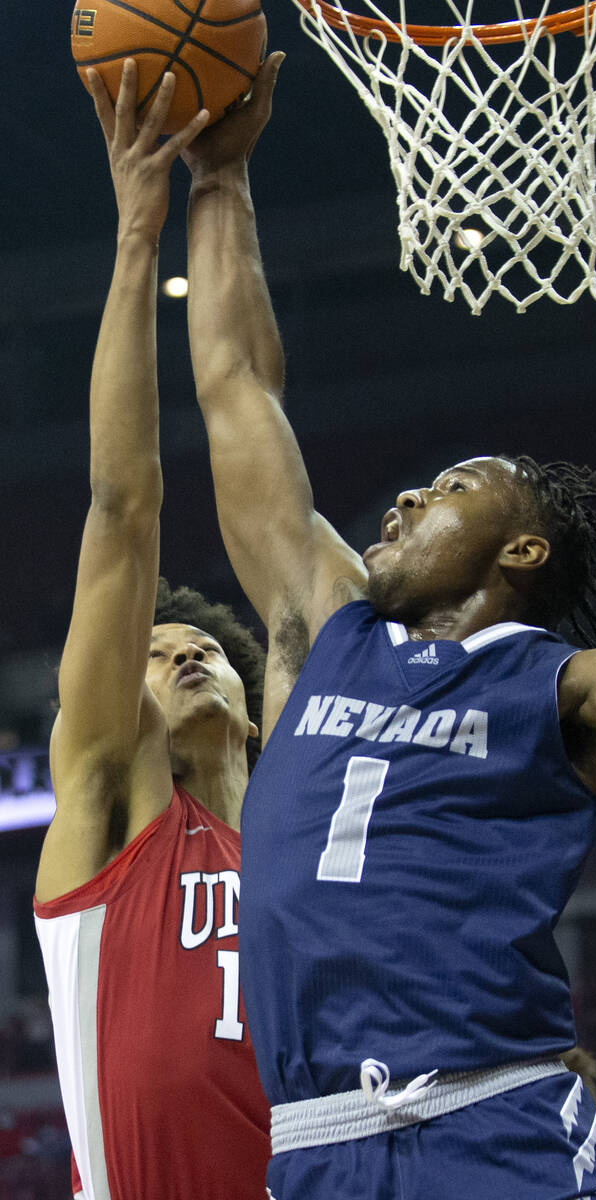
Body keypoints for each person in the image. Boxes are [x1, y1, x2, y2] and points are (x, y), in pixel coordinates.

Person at [183, 64, 596, 1200]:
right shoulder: (331, 624)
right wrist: (220, 176)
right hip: (314, 1138)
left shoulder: (553, 682)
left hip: (490, 1117)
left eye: (451, 486)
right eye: (411, 490)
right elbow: (233, 388)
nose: (406, 500)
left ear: (520, 550)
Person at [33, 59, 281, 1200]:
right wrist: (142, 237)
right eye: (154, 652)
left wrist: (225, 190)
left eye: (206, 648)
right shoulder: (111, 801)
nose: (183, 649)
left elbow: (259, 419)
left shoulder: (303, 844)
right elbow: (123, 511)